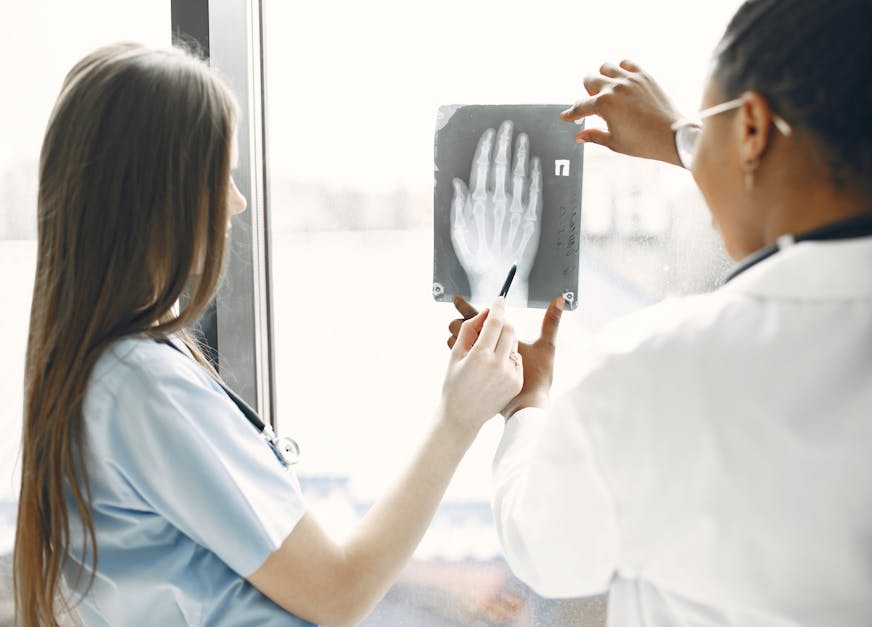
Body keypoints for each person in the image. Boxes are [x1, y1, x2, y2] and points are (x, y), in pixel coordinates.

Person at [446, 0, 872, 624]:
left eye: (715, 127)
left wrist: (527, 407)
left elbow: (543, 549)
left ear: (754, 131)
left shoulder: (655, 372)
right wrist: (694, 137)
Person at [13, 43, 524, 627]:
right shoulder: (142, 386)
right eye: (220, 176)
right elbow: (338, 594)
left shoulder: (113, 370)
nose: (237, 202)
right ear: (158, 197)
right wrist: (458, 418)